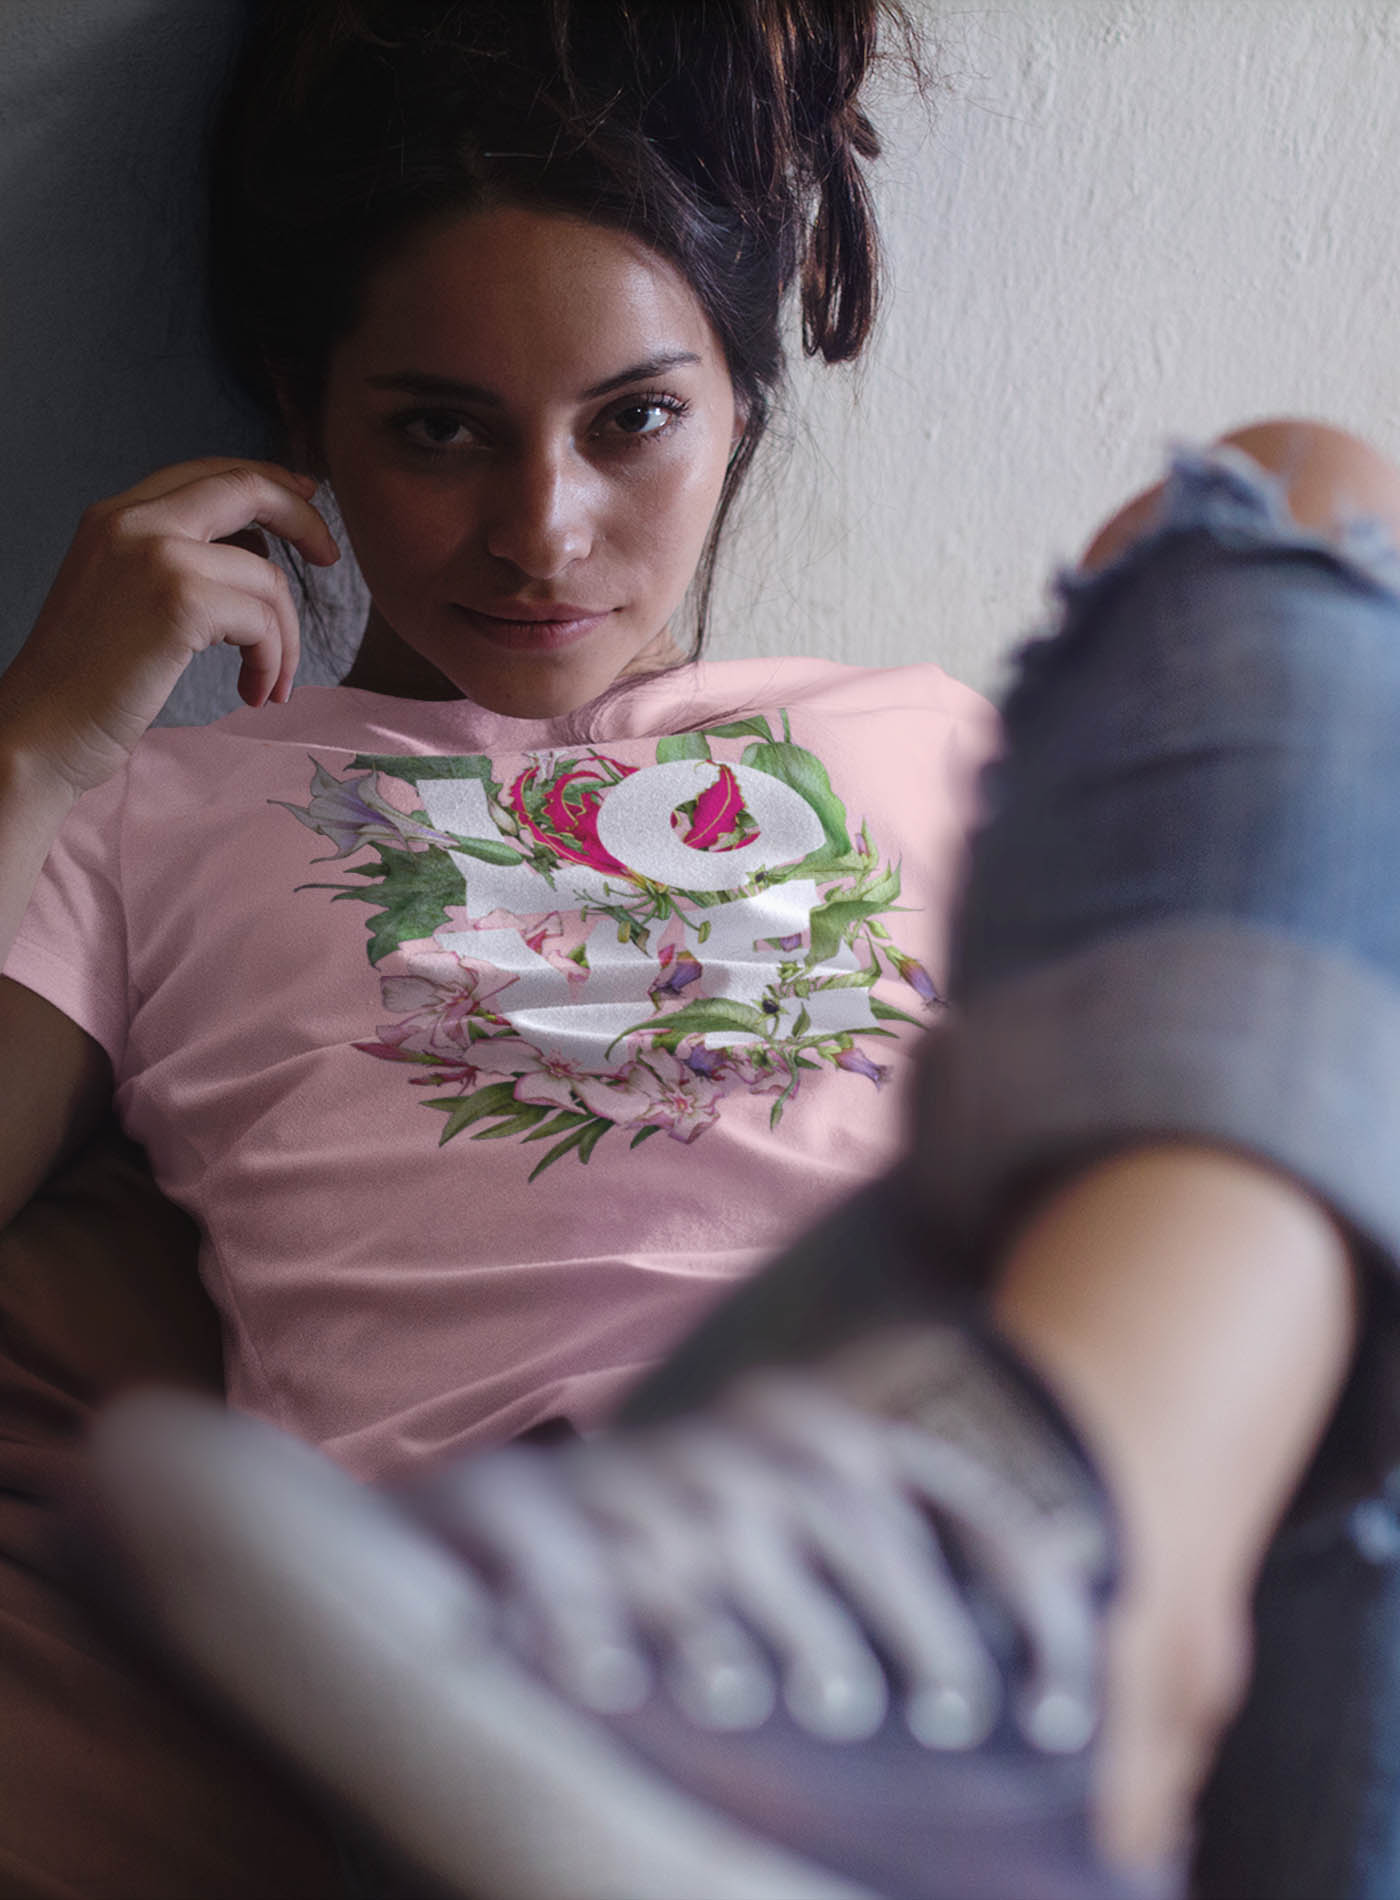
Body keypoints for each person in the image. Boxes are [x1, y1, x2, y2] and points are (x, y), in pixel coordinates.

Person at [0, 2, 1396, 1896]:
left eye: (633, 419)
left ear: (745, 392)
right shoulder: (145, 812)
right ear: (300, 411)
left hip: (1029, 1534)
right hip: (551, 1685)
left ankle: (1013, 1612)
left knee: (1302, 494)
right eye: (438, 430)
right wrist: (38, 735)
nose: (543, 530)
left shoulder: (931, 741)